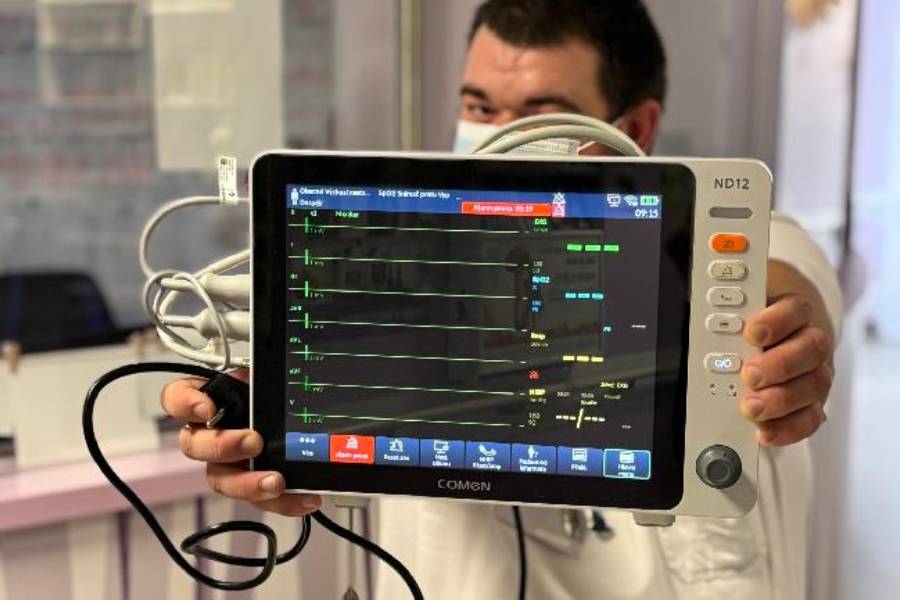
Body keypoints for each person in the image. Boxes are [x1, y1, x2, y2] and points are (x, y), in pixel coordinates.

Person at [162, 1, 842, 598]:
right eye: (481, 109)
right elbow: (330, 404)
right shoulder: (399, 261)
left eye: (542, 115)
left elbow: (782, 287)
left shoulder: (750, 244)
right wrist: (257, 421)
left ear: (635, 127)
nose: (501, 137)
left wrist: (782, 347)